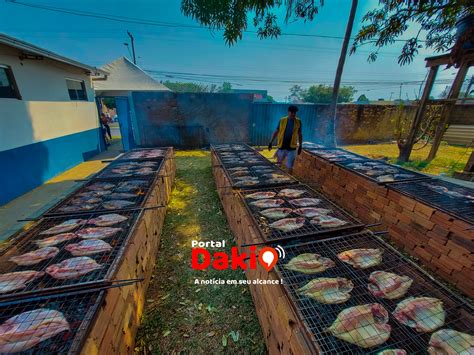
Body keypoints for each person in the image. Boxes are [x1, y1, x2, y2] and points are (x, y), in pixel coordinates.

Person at [268, 105, 303, 174]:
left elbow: (300, 134)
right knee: (278, 164)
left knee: (290, 166)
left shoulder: (298, 121)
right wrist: (270, 142)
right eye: (292, 112)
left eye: (295, 112)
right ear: (288, 112)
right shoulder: (282, 120)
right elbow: (276, 131)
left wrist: (300, 146)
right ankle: (277, 179)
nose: (293, 114)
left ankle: (289, 181)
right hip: (282, 146)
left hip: (292, 148)